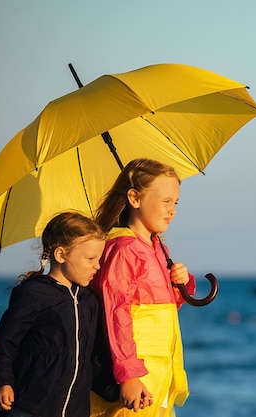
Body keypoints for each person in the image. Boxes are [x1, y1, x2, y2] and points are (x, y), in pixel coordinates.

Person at [89, 158, 196, 417]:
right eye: (165, 201)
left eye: (175, 203)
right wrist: (128, 376)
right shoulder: (123, 249)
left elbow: (165, 307)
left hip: (161, 371)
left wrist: (183, 284)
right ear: (135, 199)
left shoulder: (158, 248)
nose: (172, 210)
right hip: (139, 374)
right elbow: (117, 315)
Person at [0, 211, 106, 417]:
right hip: (29, 407)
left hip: (75, 411)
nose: (97, 265)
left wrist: (118, 389)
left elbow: (94, 357)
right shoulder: (34, 293)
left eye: (99, 259)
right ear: (61, 255)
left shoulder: (90, 300)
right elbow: (4, 344)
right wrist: (3, 382)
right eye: (90, 259)